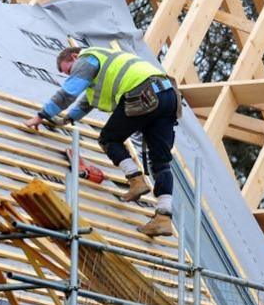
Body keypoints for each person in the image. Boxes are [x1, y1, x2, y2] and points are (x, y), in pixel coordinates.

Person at [24, 46, 181, 237]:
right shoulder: (107, 64)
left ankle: (136, 180)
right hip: (169, 94)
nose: (70, 76)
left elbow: (68, 93)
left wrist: (41, 115)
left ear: (75, 56)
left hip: (143, 92)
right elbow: (87, 101)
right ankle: (164, 218)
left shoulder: (88, 58)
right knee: (161, 163)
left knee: (108, 139)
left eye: (69, 70)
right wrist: (67, 119)